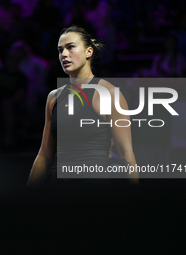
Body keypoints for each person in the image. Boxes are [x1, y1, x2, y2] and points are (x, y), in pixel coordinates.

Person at [26, 25, 138, 187]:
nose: (64, 54)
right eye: (60, 50)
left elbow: (126, 153)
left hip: (93, 190)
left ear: (89, 52)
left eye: (71, 47)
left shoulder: (109, 93)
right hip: (58, 189)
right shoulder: (54, 97)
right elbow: (45, 155)